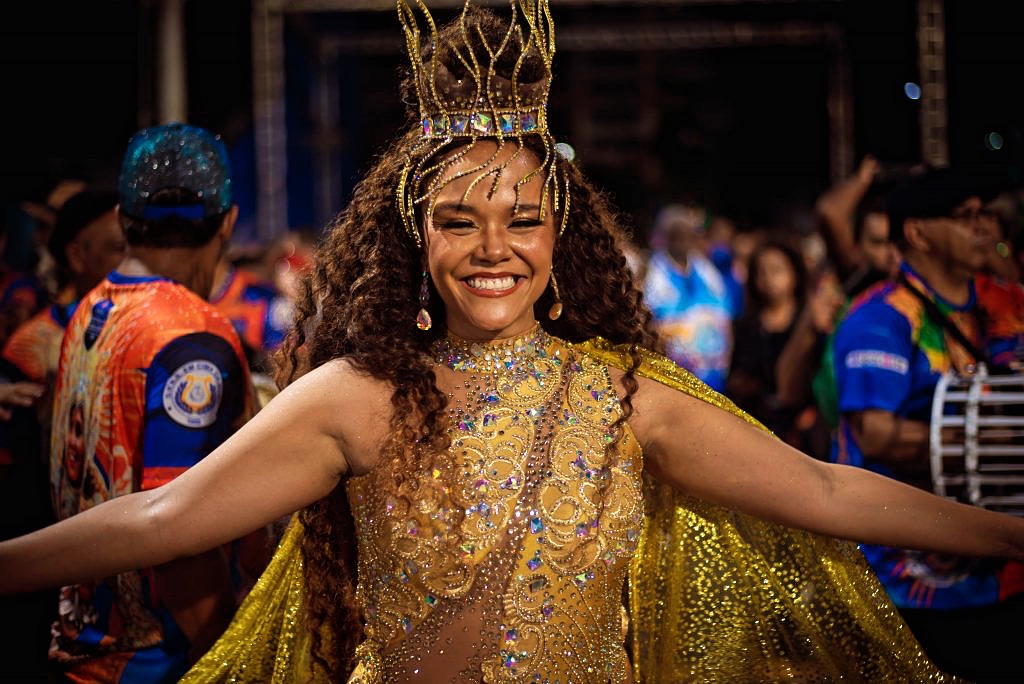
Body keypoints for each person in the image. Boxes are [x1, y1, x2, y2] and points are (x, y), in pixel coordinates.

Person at [2, 5, 1024, 683]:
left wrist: (1009, 535)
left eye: (521, 220)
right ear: (415, 237)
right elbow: (159, 519)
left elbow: (831, 493)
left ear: (560, 236)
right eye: (458, 221)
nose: (493, 249)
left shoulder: (631, 400)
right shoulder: (356, 397)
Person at [38, 123, 259, 682]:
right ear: (228, 222)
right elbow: (176, 539)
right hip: (161, 663)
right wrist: (233, 661)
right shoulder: (191, 338)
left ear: (123, 218)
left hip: (84, 651)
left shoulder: (90, 310)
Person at [831, 167, 1024, 681]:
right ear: (917, 233)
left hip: (1003, 567)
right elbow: (876, 435)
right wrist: (1003, 438)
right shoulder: (880, 317)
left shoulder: (1006, 305)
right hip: (909, 578)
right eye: (964, 216)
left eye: (986, 213)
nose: (982, 226)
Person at [642, 203, 739, 392]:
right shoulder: (649, 274)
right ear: (665, 235)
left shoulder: (708, 273)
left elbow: (725, 316)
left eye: (686, 232)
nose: (682, 238)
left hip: (715, 377)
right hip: (672, 380)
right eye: (675, 233)